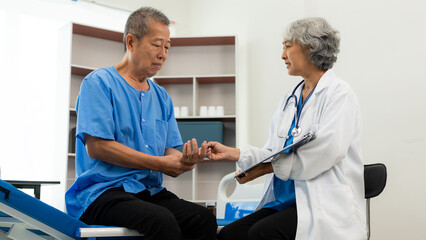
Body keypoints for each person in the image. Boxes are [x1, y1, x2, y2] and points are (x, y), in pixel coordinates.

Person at [204, 17, 367, 240]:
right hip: (286, 202)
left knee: (262, 233)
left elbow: (327, 151)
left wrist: (265, 168)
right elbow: (274, 151)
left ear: (312, 46)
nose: (282, 55)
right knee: (230, 235)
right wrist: (236, 153)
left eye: (287, 46)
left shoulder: (339, 94)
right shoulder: (290, 99)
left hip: (322, 205)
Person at [65, 7, 216, 240]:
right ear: (131, 42)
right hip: (102, 193)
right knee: (161, 221)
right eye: (157, 45)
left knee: (202, 219)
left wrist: (186, 160)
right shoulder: (98, 83)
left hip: (148, 192)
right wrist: (160, 163)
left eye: (167, 47)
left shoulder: (161, 97)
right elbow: (97, 147)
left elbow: (169, 154)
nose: (163, 54)